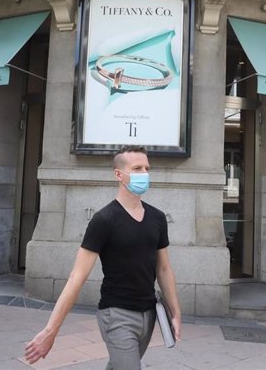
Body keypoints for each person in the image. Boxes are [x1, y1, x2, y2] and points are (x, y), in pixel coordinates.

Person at [25, 145, 182, 369]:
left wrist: (175, 313)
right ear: (119, 174)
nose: (144, 173)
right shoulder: (104, 220)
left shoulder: (157, 218)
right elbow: (76, 277)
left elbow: (164, 269)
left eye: (147, 168)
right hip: (116, 315)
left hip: (149, 314)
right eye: (137, 168)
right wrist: (51, 331)